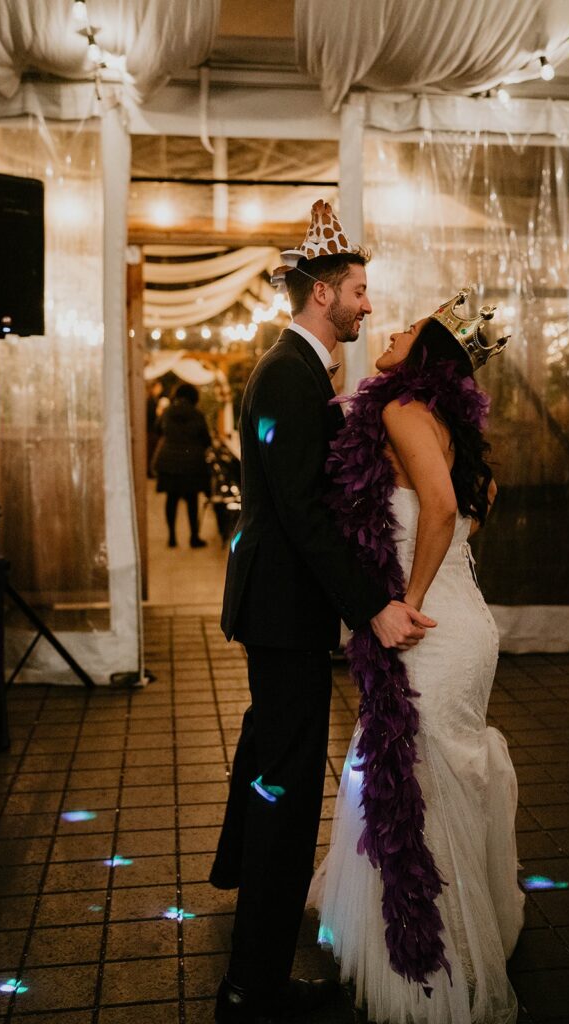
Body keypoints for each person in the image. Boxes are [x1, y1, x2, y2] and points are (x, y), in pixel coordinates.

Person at [210, 201, 436, 1024]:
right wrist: (374, 604)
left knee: (268, 753)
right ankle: (253, 987)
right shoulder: (284, 372)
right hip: (281, 611)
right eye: (359, 290)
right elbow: (301, 511)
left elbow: (300, 479)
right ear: (320, 295)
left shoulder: (302, 375)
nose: (368, 306)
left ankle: (240, 913)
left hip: (276, 609)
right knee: (287, 789)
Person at [310, 289, 525, 1023]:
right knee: (431, 769)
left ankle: (432, 962)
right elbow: (476, 501)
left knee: (415, 779)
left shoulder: (402, 409)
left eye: (408, 328)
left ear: (427, 353)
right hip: (466, 623)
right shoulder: (436, 419)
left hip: (429, 624)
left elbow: (437, 510)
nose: (391, 329)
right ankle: (467, 930)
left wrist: (406, 596)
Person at [154, 381, 212, 548]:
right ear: (193, 397)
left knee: (171, 499)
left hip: (169, 462)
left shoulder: (167, 412)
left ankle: (171, 537)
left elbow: (157, 429)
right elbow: (206, 440)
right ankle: (194, 537)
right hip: (191, 464)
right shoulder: (197, 414)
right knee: (192, 500)